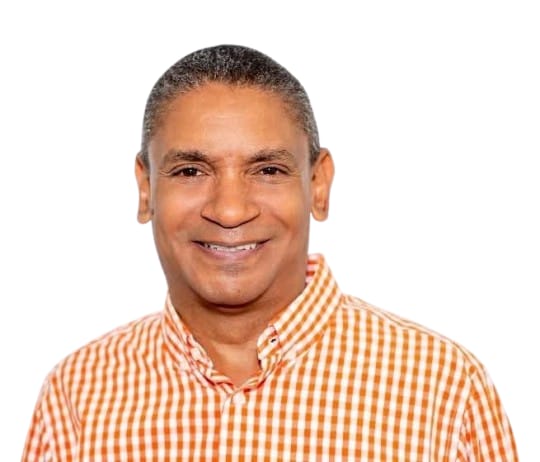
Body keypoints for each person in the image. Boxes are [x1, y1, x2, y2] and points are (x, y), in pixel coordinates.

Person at [22, 45, 518, 461]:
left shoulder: (444, 390)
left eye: (267, 170)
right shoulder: (78, 395)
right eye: (191, 171)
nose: (230, 210)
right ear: (146, 188)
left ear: (318, 185)